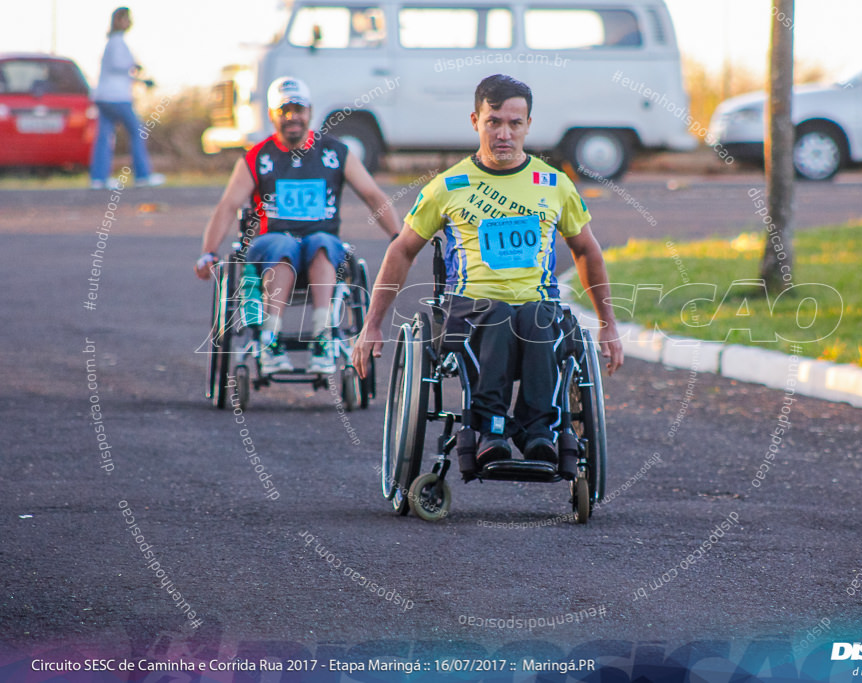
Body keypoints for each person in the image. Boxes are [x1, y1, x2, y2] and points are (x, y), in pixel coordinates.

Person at [353, 74, 623, 467]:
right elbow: (401, 251)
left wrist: (608, 323)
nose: (504, 133)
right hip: (469, 312)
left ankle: (540, 433)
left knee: (536, 316)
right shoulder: (449, 186)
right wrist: (372, 324)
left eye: (515, 123)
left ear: (529, 125)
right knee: (495, 313)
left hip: (537, 309)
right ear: (475, 121)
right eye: (493, 121)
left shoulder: (554, 184)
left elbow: (587, 250)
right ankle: (490, 428)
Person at [194, 76, 401, 375]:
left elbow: (373, 195)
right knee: (284, 244)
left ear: (310, 112)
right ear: (272, 115)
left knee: (322, 243)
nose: (292, 117)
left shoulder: (335, 152)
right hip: (270, 246)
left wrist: (398, 237)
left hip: (321, 247)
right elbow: (228, 206)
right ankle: (270, 339)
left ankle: (323, 337)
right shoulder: (258, 157)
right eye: (284, 110)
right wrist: (208, 252)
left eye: (298, 109)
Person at [89, 7, 164, 189]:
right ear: (120, 20)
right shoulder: (117, 43)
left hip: (104, 95)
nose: (130, 22)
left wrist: (140, 79)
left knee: (105, 136)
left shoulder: (113, 43)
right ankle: (143, 175)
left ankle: (99, 178)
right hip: (116, 97)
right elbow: (120, 66)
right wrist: (135, 66)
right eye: (127, 19)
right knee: (138, 131)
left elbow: (120, 72)